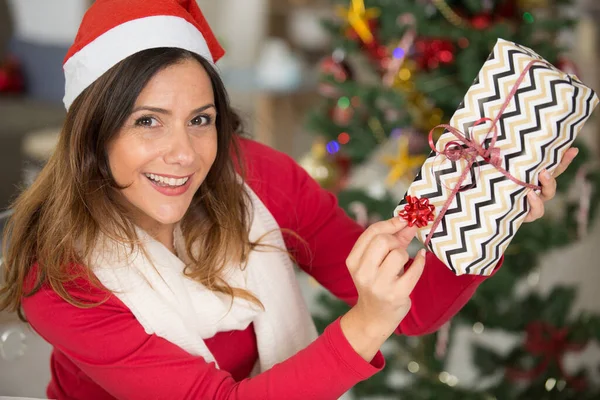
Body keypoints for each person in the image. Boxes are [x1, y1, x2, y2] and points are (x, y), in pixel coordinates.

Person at [0, 1, 576, 399]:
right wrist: (365, 324)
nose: (183, 154)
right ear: (93, 136)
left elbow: (416, 305)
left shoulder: (256, 178)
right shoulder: (57, 273)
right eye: (148, 121)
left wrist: (493, 208)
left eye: (200, 120)